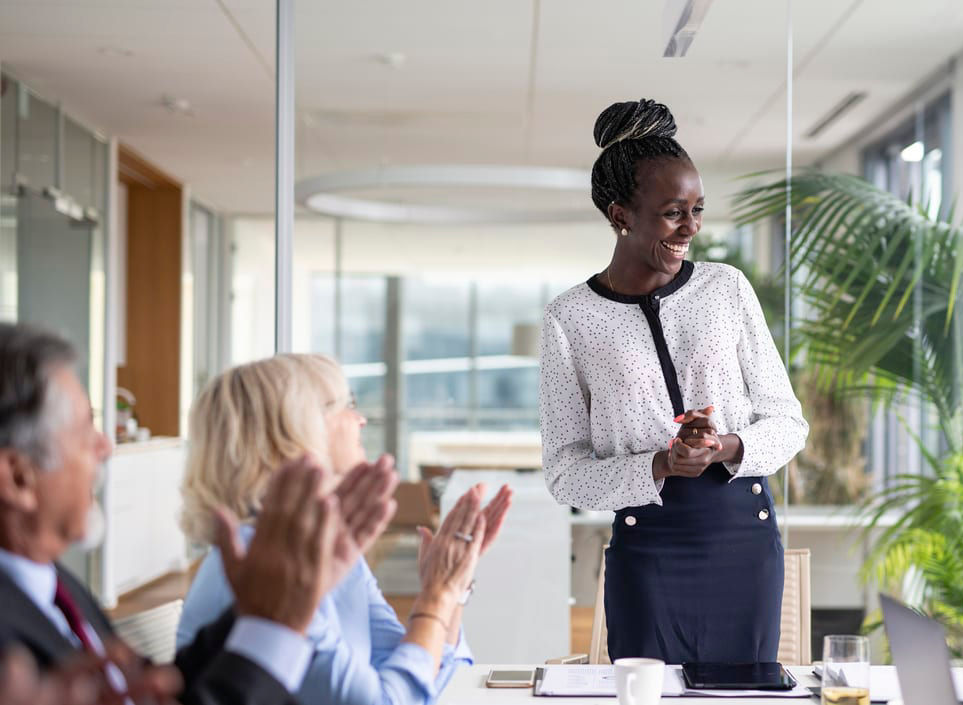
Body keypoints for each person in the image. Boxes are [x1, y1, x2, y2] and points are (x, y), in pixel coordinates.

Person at [539, 98, 809, 663]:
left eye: (697, 209)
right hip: (648, 548)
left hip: (745, 541)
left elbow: (788, 422)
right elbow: (564, 473)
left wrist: (726, 447)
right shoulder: (570, 318)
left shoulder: (727, 289)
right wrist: (659, 465)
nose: (691, 227)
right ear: (621, 216)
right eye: (672, 212)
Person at [0, 322, 394, 704]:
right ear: (19, 478)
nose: (105, 446)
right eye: (86, 430)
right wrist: (274, 626)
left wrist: (262, 609)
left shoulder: (55, 586)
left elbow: (168, 689)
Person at [176, 353, 512, 705]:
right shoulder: (262, 567)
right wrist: (437, 595)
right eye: (346, 404)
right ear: (296, 430)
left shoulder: (320, 547)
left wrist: (452, 585)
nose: (361, 419)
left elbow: (416, 675)